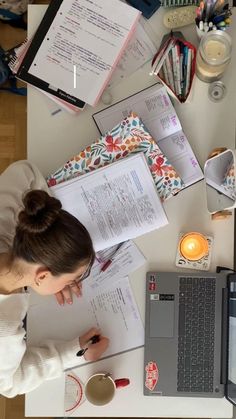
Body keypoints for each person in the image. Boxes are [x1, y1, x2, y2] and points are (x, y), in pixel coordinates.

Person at [0, 160, 109, 398]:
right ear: (43, 275)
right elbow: (9, 383)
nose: (72, 284)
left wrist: (55, 264)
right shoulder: (4, 331)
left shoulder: (7, 225)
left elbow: (25, 171)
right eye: (71, 279)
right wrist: (73, 352)